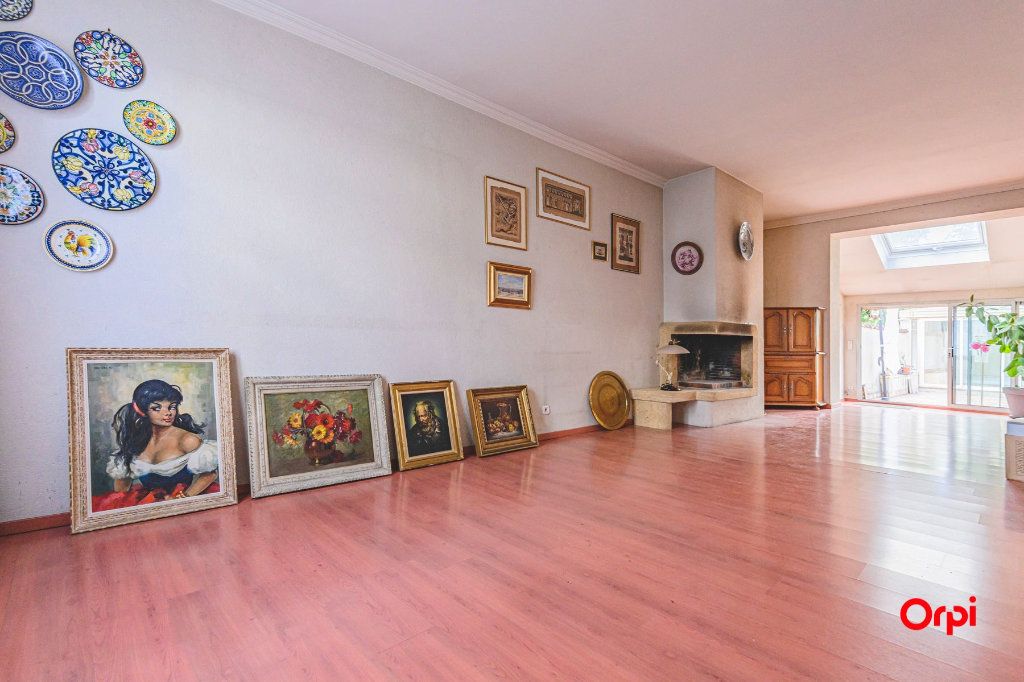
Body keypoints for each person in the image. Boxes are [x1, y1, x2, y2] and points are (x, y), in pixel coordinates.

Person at [106, 379, 219, 500]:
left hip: (183, 499)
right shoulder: (134, 442)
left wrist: (183, 497)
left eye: (172, 407)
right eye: (156, 408)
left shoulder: (187, 440)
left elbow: (210, 474)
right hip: (148, 502)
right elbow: (122, 486)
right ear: (142, 411)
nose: (168, 413)